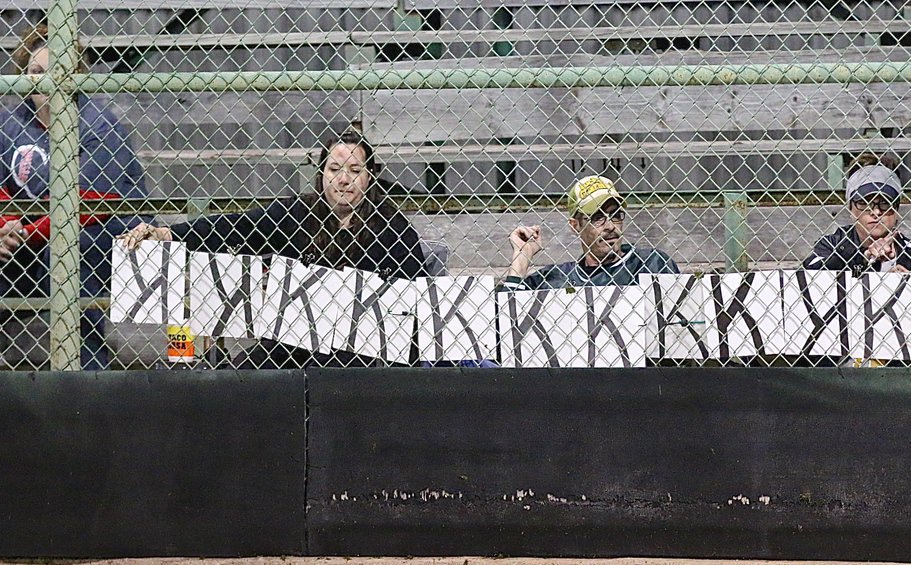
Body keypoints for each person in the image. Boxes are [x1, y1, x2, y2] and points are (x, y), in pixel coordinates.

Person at [121, 128, 426, 368]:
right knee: (238, 378)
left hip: (363, 349)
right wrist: (165, 233)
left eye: (355, 170)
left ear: (369, 176)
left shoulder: (392, 228)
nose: (343, 180)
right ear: (321, 174)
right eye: (334, 169)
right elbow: (236, 226)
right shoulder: (300, 214)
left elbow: (413, 307)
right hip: (297, 343)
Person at [0, 23, 148, 369]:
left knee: (66, 250)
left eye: (55, 72)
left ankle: (86, 375)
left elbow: (91, 202)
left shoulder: (97, 123)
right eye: (35, 72)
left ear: (75, 74)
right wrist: (4, 227)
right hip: (30, 239)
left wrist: (22, 233)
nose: (44, 81)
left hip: (106, 237)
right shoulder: (11, 123)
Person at [499, 175, 678, 291]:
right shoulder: (557, 280)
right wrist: (522, 258)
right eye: (597, 217)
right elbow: (508, 321)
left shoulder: (651, 264)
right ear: (575, 225)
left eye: (615, 215)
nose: (610, 225)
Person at [803, 157, 911, 276]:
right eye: (865, 203)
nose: (875, 212)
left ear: (896, 209)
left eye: (884, 204)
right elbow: (807, 274)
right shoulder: (833, 245)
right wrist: (862, 258)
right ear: (851, 209)